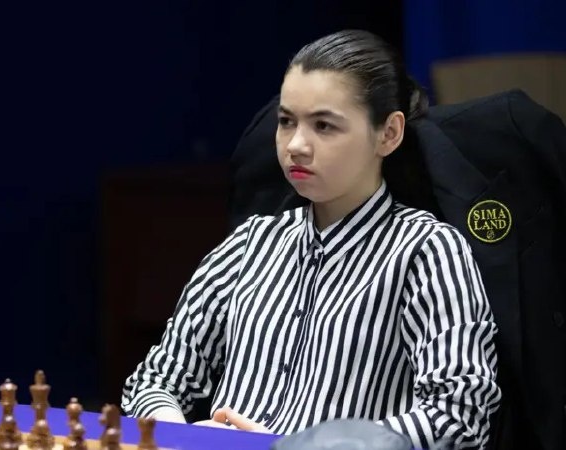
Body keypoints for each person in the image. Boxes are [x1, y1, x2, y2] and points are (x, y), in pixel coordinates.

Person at [120, 30, 502, 450]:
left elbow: (459, 416)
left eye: (324, 125)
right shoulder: (249, 245)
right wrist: (184, 436)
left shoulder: (425, 250)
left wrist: (307, 446)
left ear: (388, 134)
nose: (296, 145)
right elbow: (154, 381)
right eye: (286, 122)